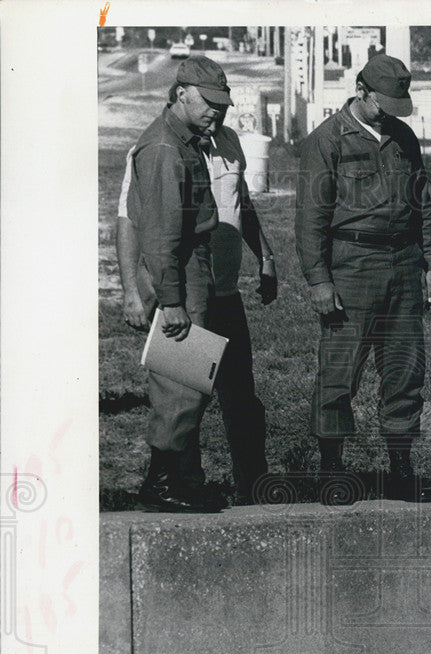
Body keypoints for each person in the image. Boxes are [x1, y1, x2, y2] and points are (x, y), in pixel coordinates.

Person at [118, 66, 277, 509]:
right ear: (180, 93)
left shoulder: (186, 142)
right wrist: (170, 302)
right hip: (182, 274)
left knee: (189, 382)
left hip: (199, 274)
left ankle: (178, 483)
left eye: (222, 104)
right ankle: (164, 486)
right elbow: (160, 236)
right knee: (181, 384)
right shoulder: (165, 149)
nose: (217, 112)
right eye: (208, 102)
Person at [295, 53, 431, 504]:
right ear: (361, 91)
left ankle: (401, 466)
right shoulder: (327, 140)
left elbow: (423, 205)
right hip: (353, 266)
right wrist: (319, 280)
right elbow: (310, 218)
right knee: (340, 372)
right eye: (384, 103)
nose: (391, 114)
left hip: (404, 264)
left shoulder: (403, 138)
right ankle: (332, 469)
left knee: (404, 370)